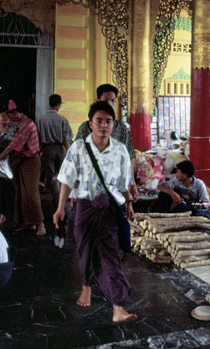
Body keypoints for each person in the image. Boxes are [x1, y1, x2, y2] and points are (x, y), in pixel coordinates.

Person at [53, 101, 136, 323]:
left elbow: (125, 181)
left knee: (110, 256)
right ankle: (86, 287)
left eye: (108, 121)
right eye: (99, 121)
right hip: (85, 206)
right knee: (85, 249)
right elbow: (67, 180)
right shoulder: (78, 148)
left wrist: (129, 203)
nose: (103, 125)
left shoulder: (119, 150)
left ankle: (118, 307)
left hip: (109, 209)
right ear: (91, 124)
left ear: (113, 124)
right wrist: (60, 207)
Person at [75, 84, 139, 202]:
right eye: (106, 100)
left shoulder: (122, 129)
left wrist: (133, 186)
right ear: (98, 101)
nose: (110, 103)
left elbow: (127, 162)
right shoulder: (85, 127)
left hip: (115, 188)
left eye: (113, 101)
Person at [0, 100, 44, 235]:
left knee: (31, 193)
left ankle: (41, 225)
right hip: (22, 161)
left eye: (9, 116)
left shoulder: (27, 125)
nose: (9, 120)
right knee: (21, 194)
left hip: (31, 161)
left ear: (16, 113)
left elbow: (14, 145)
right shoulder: (20, 122)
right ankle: (28, 223)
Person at [37, 94, 73, 214]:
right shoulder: (63, 119)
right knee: (60, 177)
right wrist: (69, 153)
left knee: (51, 178)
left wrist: (40, 151)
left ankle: (56, 202)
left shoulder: (41, 119)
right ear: (58, 105)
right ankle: (59, 203)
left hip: (47, 150)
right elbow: (66, 139)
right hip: (60, 149)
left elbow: (39, 138)